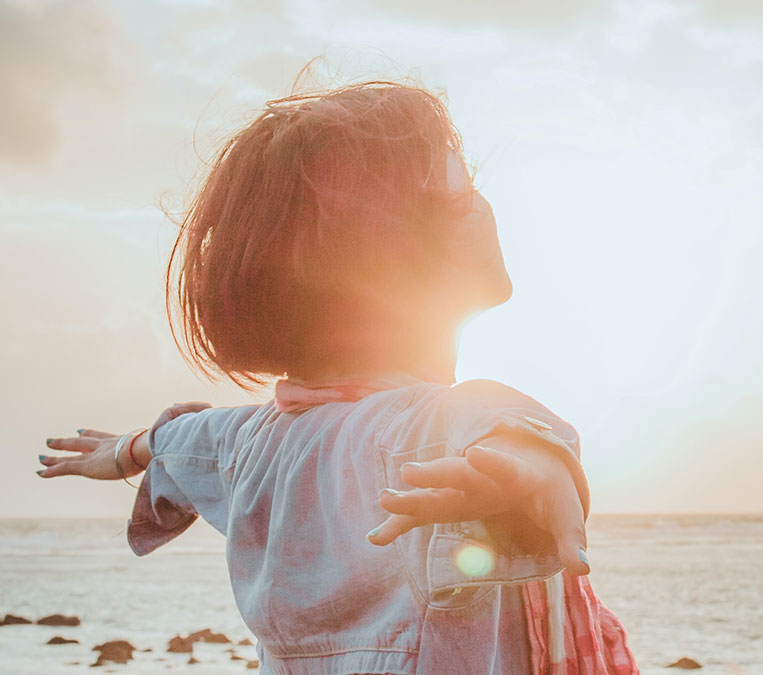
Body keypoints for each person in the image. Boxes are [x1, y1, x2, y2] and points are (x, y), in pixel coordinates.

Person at [37, 80, 637, 675]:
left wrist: (123, 451)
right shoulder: (429, 424)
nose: (480, 205)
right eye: (460, 191)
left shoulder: (250, 441)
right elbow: (497, 429)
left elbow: (181, 440)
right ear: (407, 256)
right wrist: (527, 471)